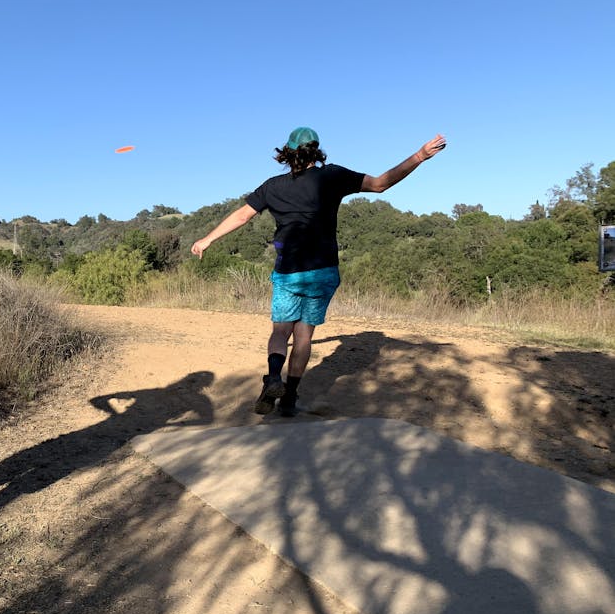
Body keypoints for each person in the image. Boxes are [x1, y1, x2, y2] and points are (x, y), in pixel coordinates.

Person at [191, 127, 446, 416]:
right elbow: (380, 184)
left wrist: (207, 239)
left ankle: (274, 377)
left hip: (288, 271)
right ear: (316, 151)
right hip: (323, 271)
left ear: (286, 153)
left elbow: (242, 215)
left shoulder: (272, 186)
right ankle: (289, 399)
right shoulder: (332, 176)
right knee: (303, 336)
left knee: (280, 332)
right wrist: (420, 156)